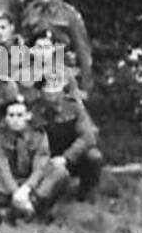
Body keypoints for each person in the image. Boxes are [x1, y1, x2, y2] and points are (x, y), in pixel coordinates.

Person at [0, 96, 68, 220]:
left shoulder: (39, 134)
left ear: (28, 116)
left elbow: (40, 167)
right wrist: (15, 192)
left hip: (32, 184)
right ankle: (17, 207)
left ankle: (29, 206)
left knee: (60, 172)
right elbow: (1, 167)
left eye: (19, 115)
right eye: (11, 116)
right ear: (6, 118)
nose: (15, 120)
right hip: (9, 182)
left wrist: (27, 189)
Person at [28, 71, 103, 200]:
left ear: (62, 90)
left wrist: (66, 158)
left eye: (56, 87)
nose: (52, 93)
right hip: (43, 158)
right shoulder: (32, 112)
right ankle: (39, 193)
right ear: (40, 92)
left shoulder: (74, 108)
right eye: (48, 88)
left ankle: (87, 192)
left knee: (94, 156)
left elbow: (88, 137)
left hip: (72, 157)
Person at [20, 0, 93, 90]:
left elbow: (82, 49)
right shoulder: (29, 12)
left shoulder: (69, 14)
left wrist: (84, 85)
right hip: (34, 70)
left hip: (61, 69)